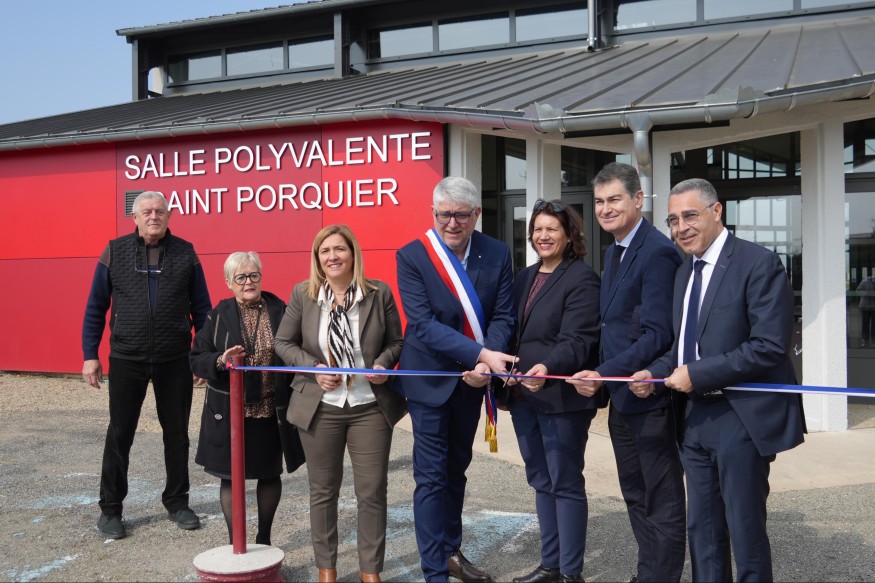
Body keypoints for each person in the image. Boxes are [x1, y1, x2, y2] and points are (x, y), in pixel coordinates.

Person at [630, 178, 806, 582]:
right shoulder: (684, 273)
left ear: (716, 211)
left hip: (740, 417)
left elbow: (768, 346)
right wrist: (654, 373)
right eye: (674, 220)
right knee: (703, 532)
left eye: (690, 216)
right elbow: (683, 348)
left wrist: (697, 374)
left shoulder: (758, 264)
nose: (681, 227)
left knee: (744, 530)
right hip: (694, 419)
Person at [567, 163, 685, 583]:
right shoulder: (614, 251)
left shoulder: (657, 252)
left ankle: (662, 577)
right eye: (599, 201)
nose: (605, 209)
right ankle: (647, 572)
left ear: (638, 199)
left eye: (614, 199)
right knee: (634, 493)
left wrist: (602, 372)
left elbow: (657, 335)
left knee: (661, 498)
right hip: (621, 398)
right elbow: (613, 326)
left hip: (648, 397)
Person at [394, 176, 515, 583]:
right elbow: (423, 325)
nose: (451, 223)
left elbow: (503, 315)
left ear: (476, 214)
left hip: (473, 382)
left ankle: (450, 552)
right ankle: (435, 573)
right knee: (431, 478)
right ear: (433, 213)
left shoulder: (497, 253)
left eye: (461, 215)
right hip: (429, 382)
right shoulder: (413, 256)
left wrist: (485, 365)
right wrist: (482, 355)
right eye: (443, 214)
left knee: (456, 470)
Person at [274, 225, 406, 583]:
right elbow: (283, 342)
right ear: (317, 259)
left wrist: (383, 364)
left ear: (353, 254)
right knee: (323, 492)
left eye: (339, 249)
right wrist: (313, 368)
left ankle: (370, 571)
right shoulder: (304, 294)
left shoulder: (379, 293)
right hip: (320, 408)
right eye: (325, 251)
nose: (333, 256)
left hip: (369, 406)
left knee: (372, 491)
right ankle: (327, 569)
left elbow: (396, 342)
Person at [81, 190, 212, 540]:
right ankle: (110, 510)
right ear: (135, 217)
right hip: (127, 357)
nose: (154, 216)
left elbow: (202, 309)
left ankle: (177, 502)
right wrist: (90, 355)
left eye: (160, 211)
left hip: (175, 358)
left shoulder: (186, 252)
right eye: (147, 211)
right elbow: (95, 306)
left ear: (168, 216)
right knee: (120, 434)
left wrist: (201, 356)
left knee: (177, 434)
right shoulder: (114, 251)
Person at [505, 200, 605, 583]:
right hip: (523, 398)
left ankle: (570, 573)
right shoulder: (524, 277)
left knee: (565, 482)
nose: (543, 236)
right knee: (540, 481)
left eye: (552, 229)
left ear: (568, 235)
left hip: (562, 399)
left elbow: (578, 340)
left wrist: (548, 367)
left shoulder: (581, 278)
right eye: (538, 229)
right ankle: (550, 565)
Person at [189, 251, 306, 546]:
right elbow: (197, 357)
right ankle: (235, 542)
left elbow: (298, 347)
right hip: (230, 413)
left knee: (269, 474)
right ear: (229, 282)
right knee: (230, 477)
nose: (248, 282)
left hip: (270, 410)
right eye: (240, 277)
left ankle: (264, 538)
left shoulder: (280, 309)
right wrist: (220, 360)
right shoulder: (217, 315)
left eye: (253, 275)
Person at [857, 275, 875, 347]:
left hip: (872, 306)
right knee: (865, 323)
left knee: (874, 324)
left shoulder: (865, 280)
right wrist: (866, 294)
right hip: (865, 305)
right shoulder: (865, 280)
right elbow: (858, 290)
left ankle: (873, 340)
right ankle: (865, 340)